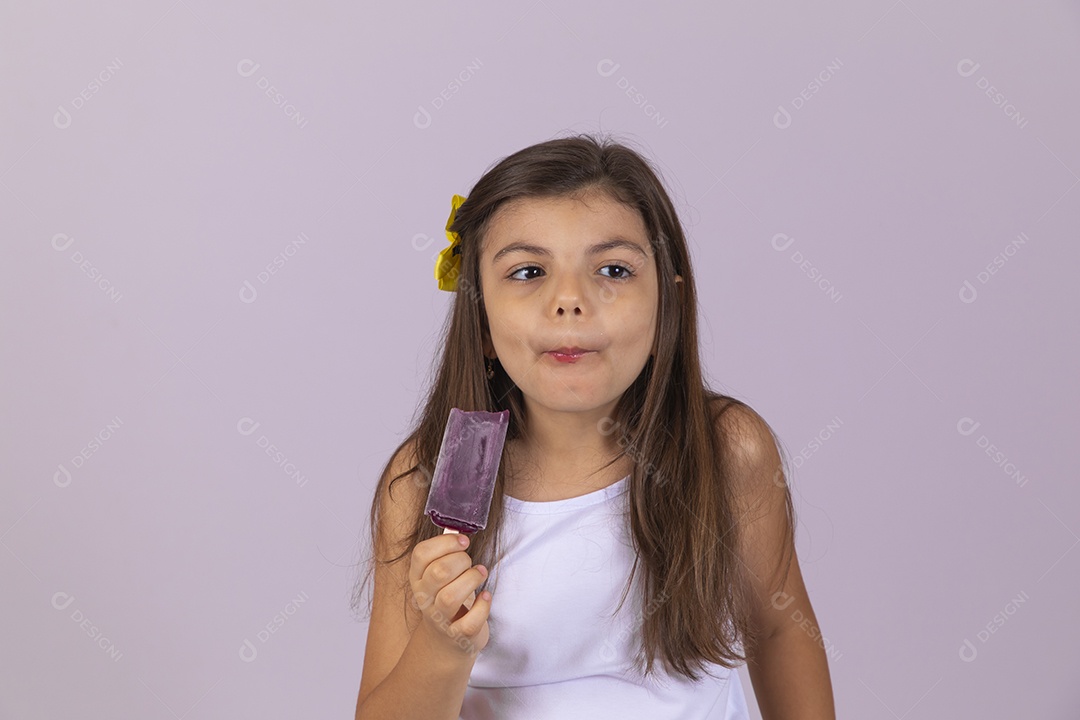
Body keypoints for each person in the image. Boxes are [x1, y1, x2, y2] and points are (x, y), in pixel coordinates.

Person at [352, 133, 836, 719]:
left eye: (612, 268)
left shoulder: (727, 451)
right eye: (529, 271)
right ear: (479, 320)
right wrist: (441, 643)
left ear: (668, 311)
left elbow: (781, 633)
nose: (571, 300)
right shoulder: (422, 482)